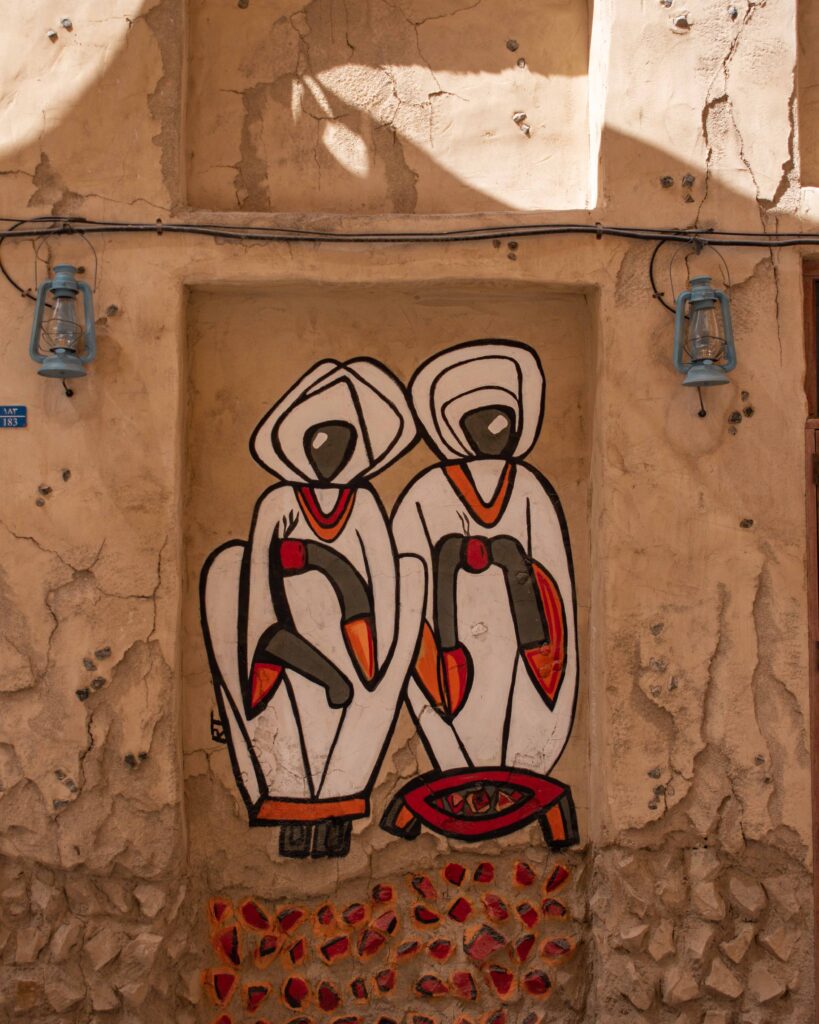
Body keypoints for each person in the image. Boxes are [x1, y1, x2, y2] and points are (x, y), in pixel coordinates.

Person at [201, 358, 423, 858]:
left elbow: (383, 579)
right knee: (294, 734)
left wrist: (367, 645)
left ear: (358, 450)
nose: (331, 455)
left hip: (352, 640)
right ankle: (293, 824)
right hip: (288, 646)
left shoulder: (364, 504)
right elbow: (259, 584)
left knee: (347, 732)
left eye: (342, 444)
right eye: (321, 442)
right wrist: (292, 653)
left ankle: (340, 817)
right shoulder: (278, 502)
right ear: (300, 444)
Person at [383, 341, 579, 847]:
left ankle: (525, 771)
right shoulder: (426, 492)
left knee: (519, 708)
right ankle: (456, 772)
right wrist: (452, 561)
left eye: (502, 416)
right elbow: (404, 578)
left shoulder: (531, 487)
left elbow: (555, 573)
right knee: (459, 712)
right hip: (452, 643)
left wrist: (508, 558)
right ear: (453, 426)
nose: (493, 428)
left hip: (522, 634)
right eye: (480, 417)